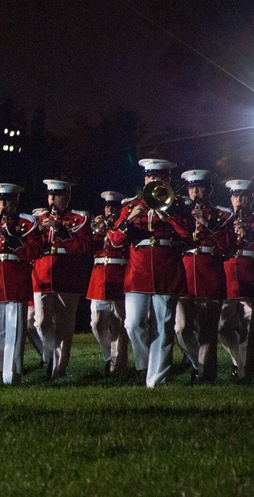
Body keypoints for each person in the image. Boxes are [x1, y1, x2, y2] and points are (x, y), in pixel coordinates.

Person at [108, 158, 193, 387]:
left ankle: (157, 379)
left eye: (159, 176)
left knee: (164, 325)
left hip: (167, 266)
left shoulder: (178, 205)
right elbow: (115, 240)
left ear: (167, 179)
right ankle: (145, 366)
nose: (153, 180)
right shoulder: (130, 205)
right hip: (138, 268)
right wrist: (131, 217)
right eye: (149, 176)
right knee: (133, 323)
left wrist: (168, 214)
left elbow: (188, 233)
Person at [31, 179, 92, 378]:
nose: (52, 199)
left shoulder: (79, 219)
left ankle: (59, 368)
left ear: (66, 197)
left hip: (68, 277)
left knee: (65, 326)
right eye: (50, 195)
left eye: (56, 195)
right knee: (40, 322)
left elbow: (83, 247)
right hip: (42, 275)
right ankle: (49, 355)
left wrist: (61, 230)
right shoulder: (38, 218)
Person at [0, 183, 41, 385]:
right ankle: (3, 364)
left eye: (7, 200)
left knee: (15, 331)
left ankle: (12, 375)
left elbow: (35, 251)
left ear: (16, 201)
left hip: (16, 277)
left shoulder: (28, 222)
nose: (3, 205)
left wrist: (11, 238)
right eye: (0, 200)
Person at [176, 170, 231, 384]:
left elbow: (227, 244)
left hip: (209, 273)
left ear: (208, 190)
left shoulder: (222, 214)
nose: (194, 192)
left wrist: (206, 224)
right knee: (181, 328)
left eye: (199, 187)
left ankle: (205, 375)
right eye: (191, 188)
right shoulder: (181, 214)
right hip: (186, 274)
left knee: (208, 332)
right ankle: (194, 362)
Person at [218, 180, 254, 380]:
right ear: (231, 198)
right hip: (227, 278)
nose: (239, 200)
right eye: (236, 196)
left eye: (243, 196)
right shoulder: (223, 219)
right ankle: (237, 361)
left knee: (250, 330)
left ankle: (247, 373)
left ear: (250, 198)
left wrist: (249, 234)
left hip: (252, 277)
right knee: (223, 327)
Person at [86, 191, 131, 377]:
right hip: (98, 276)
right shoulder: (100, 226)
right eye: (106, 206)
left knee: (119, 322)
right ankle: (108, 357)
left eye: (113, 206)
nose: (109, 209)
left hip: (119, 272)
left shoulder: (123, 226)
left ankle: (118, 364)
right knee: (96, 323)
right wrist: (93, 229)